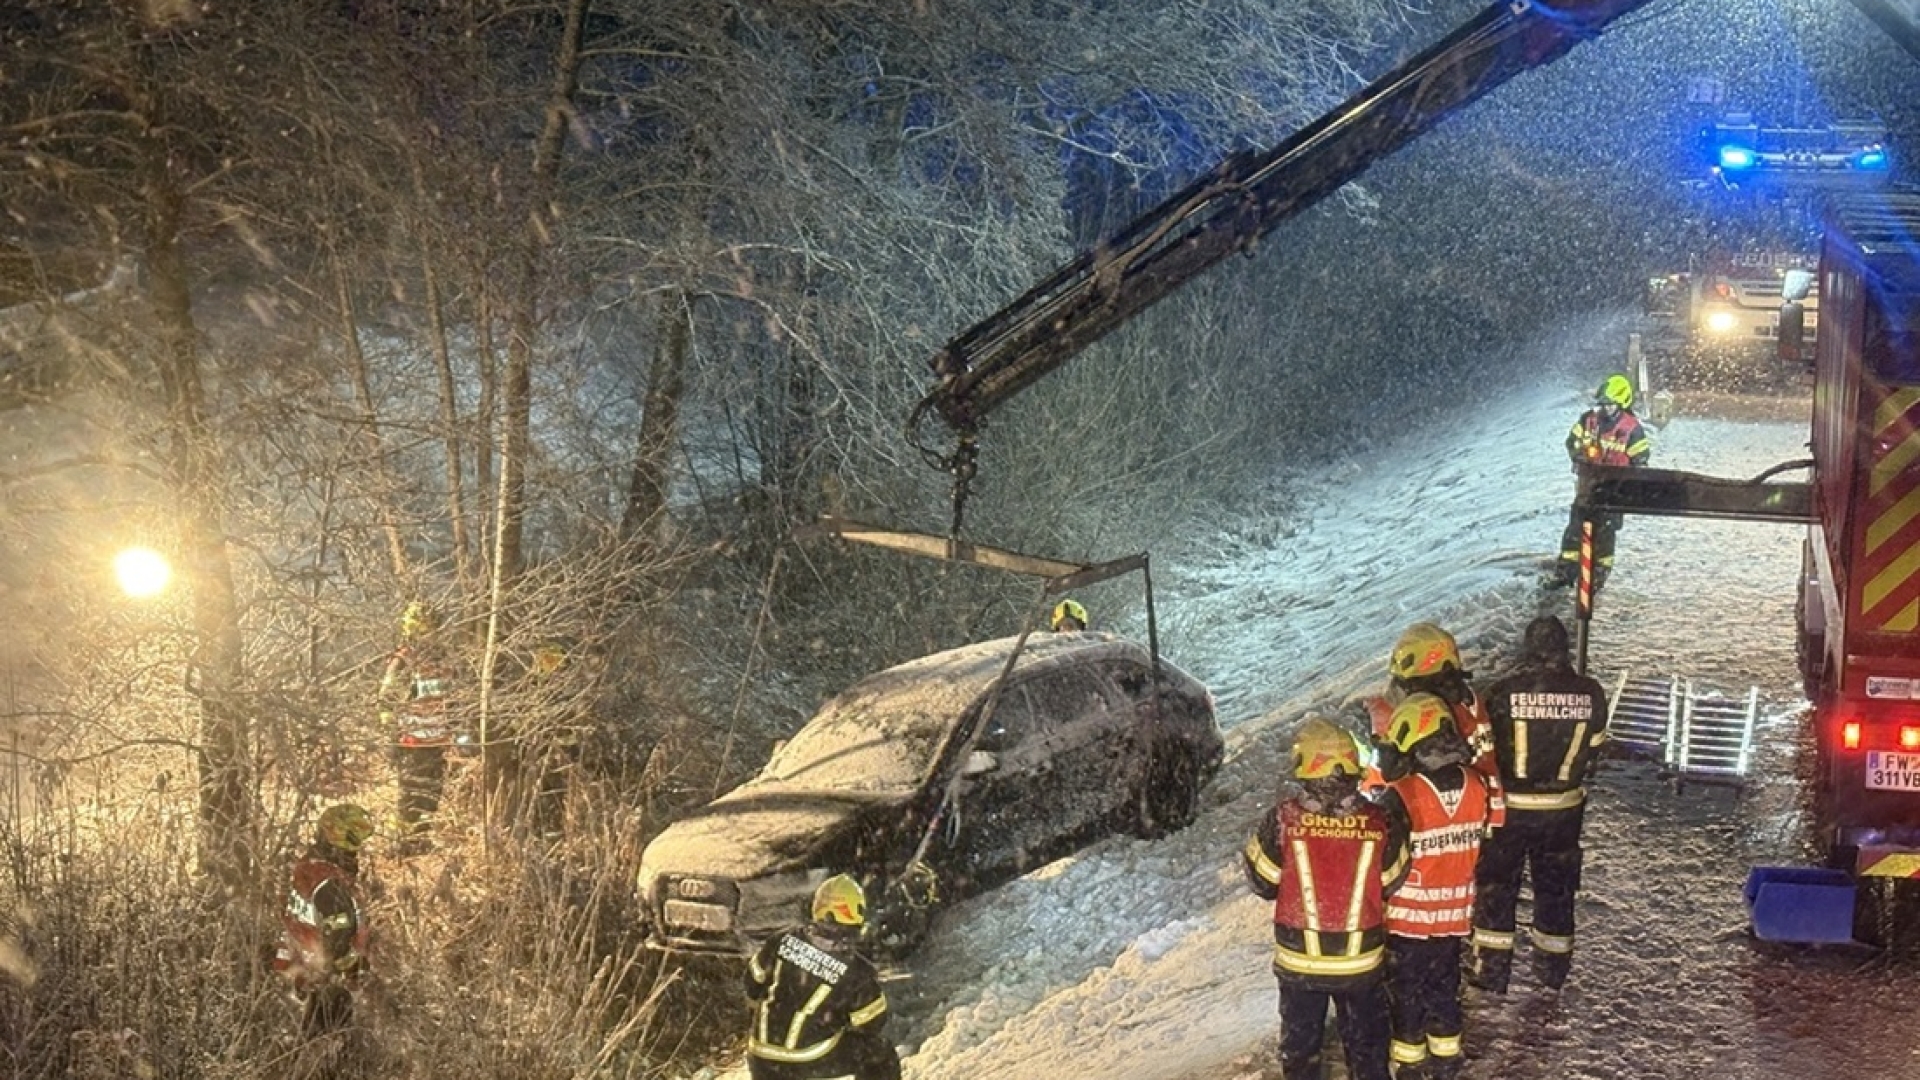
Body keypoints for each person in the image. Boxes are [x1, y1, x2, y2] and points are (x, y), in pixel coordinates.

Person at [1243, 716, 1408, 1080]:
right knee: (1367, 1051)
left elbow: (1263, 883)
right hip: (1361, 964)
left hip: (1300, 964)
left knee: (1302, 1053)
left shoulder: (1283, 820)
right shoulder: (1381, 821)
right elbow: (1392, 880)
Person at [1469, 615, 1610, 993]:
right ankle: (1551, 972)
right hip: (1563, 813)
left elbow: (1483, 752)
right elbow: (1595, 752)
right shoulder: (1592, 693)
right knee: (1556, 891)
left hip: (1509, 812)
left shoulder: (1501, 693)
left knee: (1497, 889)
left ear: (1527, 649)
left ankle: (1492, 972)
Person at [1373, 694, 1493, 1080]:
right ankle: (1447, 1060)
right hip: (1453, 919)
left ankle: (1409, 1066)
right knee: (1445, 988)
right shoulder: (1477, 785)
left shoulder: (1402, 795)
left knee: (1405, 996)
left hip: (1408, 923)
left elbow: (1385, 864)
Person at [744, 874, 902, 1080]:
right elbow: (872, 1022)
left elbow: (751, 984)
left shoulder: (781, 940)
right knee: (880, 1053)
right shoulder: (857, 969)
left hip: (761, 1059)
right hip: (809, 1060)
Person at [1364, 622, 1504, 826]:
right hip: (1487, 809)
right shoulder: (1470, 700)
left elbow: (1380, 782)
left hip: (1448, 818)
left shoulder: (1425, 717)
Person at [273, 803, 374, 1038]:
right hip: (326, 983)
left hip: (296, 971)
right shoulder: (331, 885)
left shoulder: (304, 870)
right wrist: (352, 965)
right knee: (330, 1048)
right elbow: (338, 935)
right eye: (356, 840)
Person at [1553, 373, 1652, 591]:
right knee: (1575, 529)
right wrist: (1578, 455)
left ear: (1622, 403)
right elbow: (1572, 441)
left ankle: (1598, 574)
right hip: (1588, 487)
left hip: (1615, 492)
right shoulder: (1588, 420)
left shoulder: (1632, 429)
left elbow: (1641, 461)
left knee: (1606, 534)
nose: (1605, 408)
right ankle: (1565, 572)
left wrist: (1631, 488)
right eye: (1603, 404)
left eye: (1610, 404)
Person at [379, 601, 463, 839]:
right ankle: (401, 842)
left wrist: (455, 730)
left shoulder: (445, 659)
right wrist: (392, 737)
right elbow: (386, 699)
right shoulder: (404, 660)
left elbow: (454, 696)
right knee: (409, 795)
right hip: (411, 741)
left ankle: (421, 839)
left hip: (436, 740)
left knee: (432, 795)